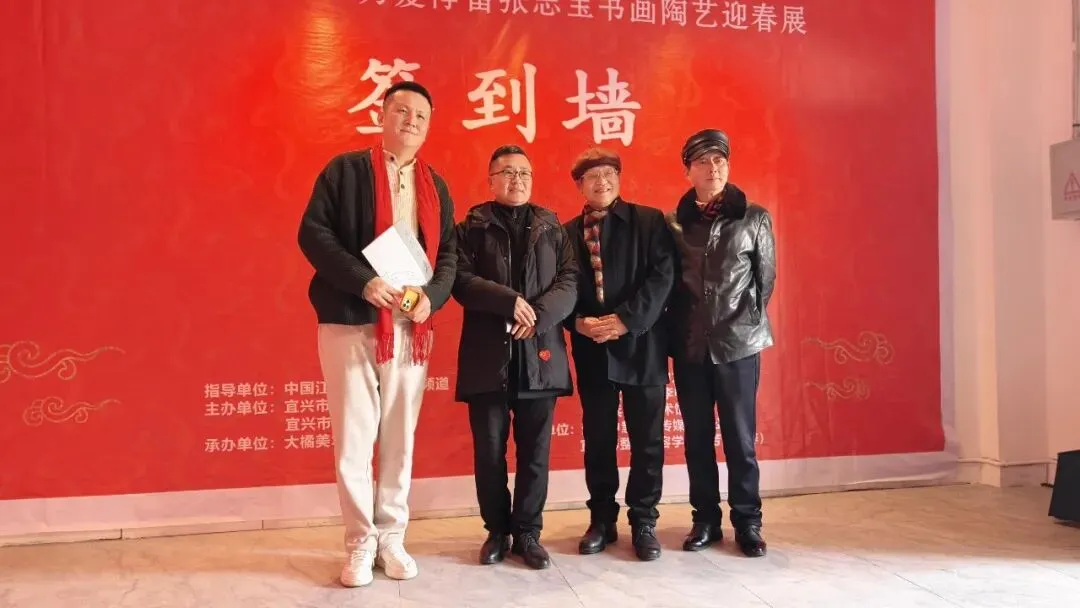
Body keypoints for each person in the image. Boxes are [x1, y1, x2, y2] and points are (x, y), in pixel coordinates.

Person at [297, 81, 457, 586]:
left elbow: (449, 254)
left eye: (421, 116)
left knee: (399, 438)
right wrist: (363, 282)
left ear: (428, 127)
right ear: (383, 115)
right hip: (350, 318)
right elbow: (313, 234)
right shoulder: (345, 171)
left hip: (410, 326)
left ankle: (392, 537)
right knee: (354, 437)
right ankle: (359, 543)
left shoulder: (436, 185)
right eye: (402, 111)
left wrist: (433, 295)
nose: (411, 121)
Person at [451, 144, 578, 570]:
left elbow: (570, 282)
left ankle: (527, 532)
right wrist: (509, 303)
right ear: (491, 181)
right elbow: (460, 280)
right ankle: (497, 531)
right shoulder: (472, 226)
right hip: (488, 357)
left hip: (539, 356)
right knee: (489, 453)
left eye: (524, 172)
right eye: (507, 172)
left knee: (535, 453)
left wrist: (537, 316)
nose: (516, 179)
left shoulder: (552, 226)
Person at [561, 148, 676, 561]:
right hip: (593, 347)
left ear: (619, 178)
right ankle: (601, 520)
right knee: (598, 440)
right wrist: (576, 321)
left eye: (609, 173)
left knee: (647, 442)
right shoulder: (566, 233)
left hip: (642, 345)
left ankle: (643, 521)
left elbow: (663, 277)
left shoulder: (650, 221)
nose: (602, 182)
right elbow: (559, 287)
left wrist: (627, 320)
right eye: (592, 176)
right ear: (580, 185)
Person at [666, 129, 776, 558]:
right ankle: (705, 521)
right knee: (697, 439)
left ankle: (748, 522)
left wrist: (738, 324)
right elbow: (671, 286)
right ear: (688, 171)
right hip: (691, 346)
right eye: (703, 162)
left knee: (740, 439)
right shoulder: (674, 224)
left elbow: (764, 282)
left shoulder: (754, 218)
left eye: (720, 161)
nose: (713, 169)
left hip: (738, 345)